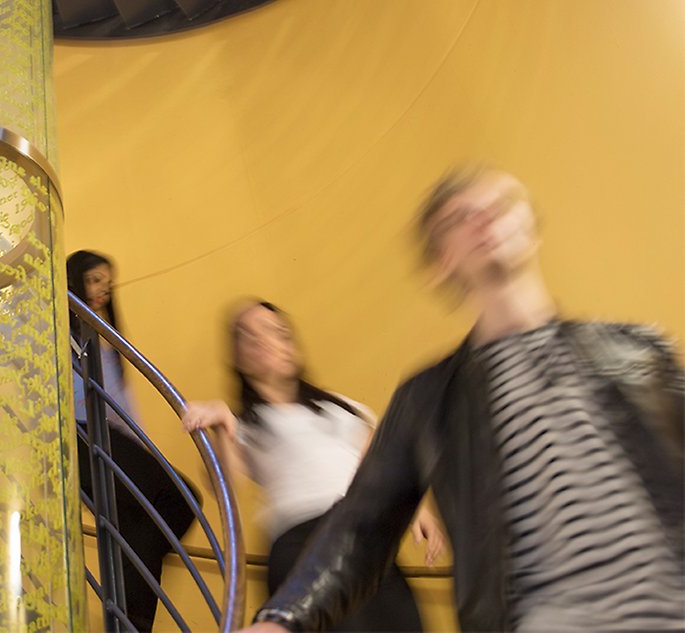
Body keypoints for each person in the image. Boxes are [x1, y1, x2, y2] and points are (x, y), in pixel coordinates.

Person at [225, 167, 684, 632]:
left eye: (500, 205)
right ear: (441, 260)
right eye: (461, 217)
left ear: (529, 228)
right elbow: (361, 527)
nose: (485, 218)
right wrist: (282, 620)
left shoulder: (639, 350)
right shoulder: (429, 399)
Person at [183, 300, 444, 632]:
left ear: (292, 348)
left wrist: (417, 509)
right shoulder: (246, 424)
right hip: (301, 544)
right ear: (238, 358)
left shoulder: (344, 408)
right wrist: (222, 427)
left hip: (364, 536)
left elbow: (381, 466)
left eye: (274, 331)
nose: (262, 340)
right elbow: (227, 488)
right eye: (247, 336)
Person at [67, 250, 200, 633]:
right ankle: (131, 617)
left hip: (112, 437)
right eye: (93, 280)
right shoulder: (57, 331)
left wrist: (144, 452)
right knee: (178, 499)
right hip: (80, 434)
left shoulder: (106, 341)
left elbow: (121, 407)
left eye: (107, 284)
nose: (102, 291)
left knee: (145, 526)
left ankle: (131, 623)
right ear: (73, 281)